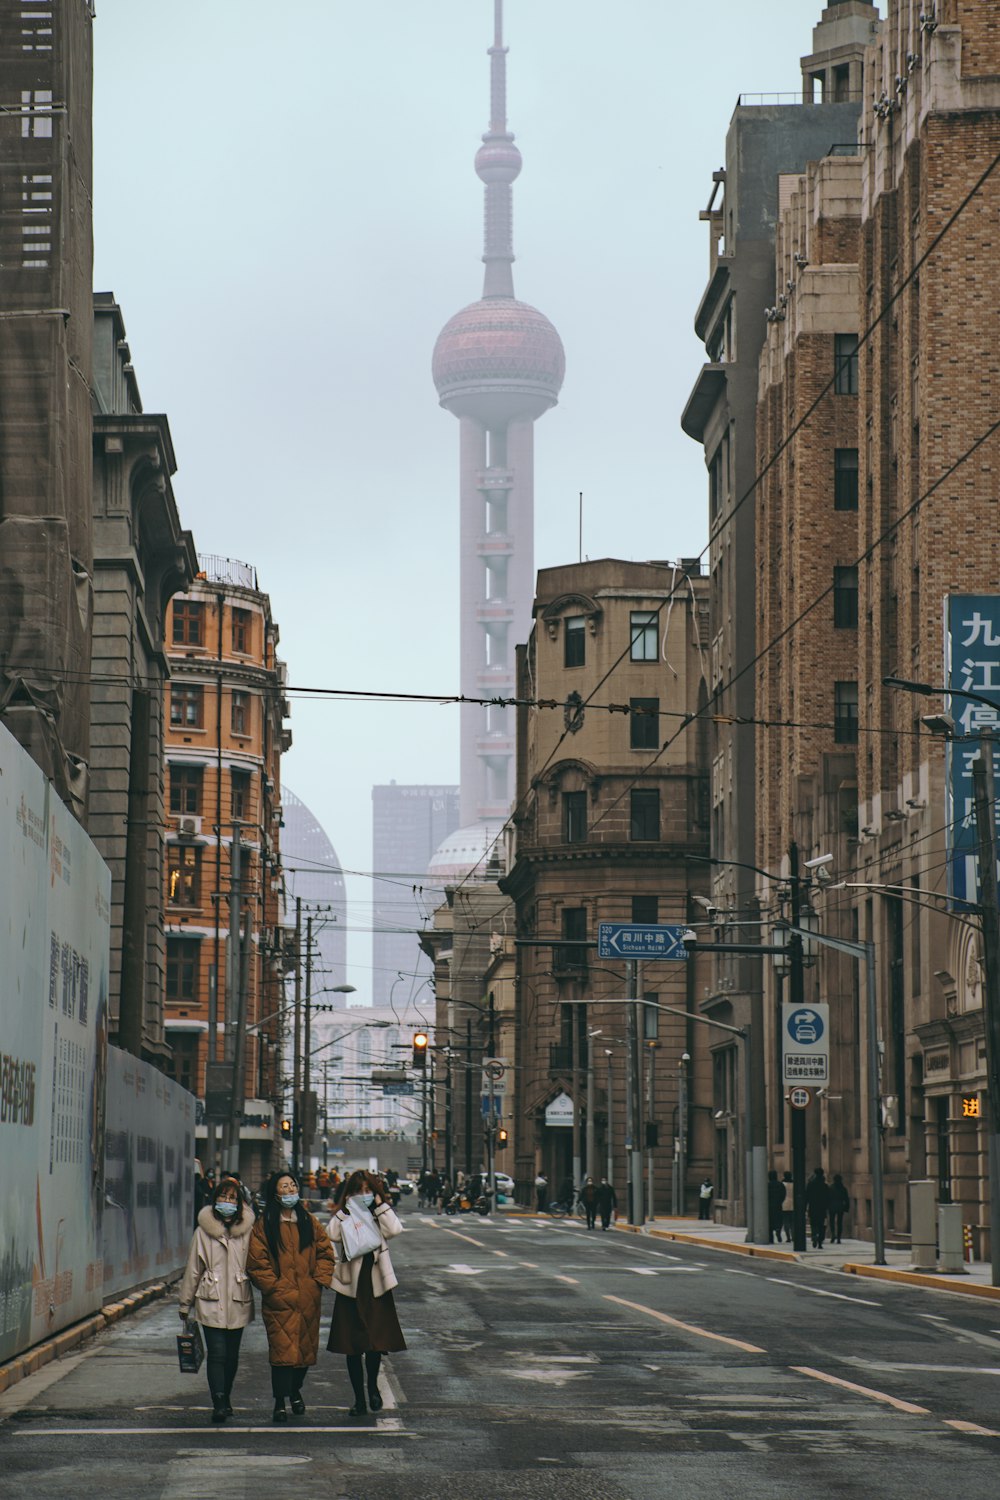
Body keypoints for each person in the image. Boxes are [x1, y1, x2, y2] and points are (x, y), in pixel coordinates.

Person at [247, 1169, 336, 1423]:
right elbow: (256, 1261)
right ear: (275, 1192)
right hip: (279, 1300)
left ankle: (295, 1390)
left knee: (304, 1353)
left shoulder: (308, 1221)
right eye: (284, 1186)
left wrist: (318, 1280)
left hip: (308, 1298)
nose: (289, 1190)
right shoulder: (265, 1224)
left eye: (293, 1186)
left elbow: (326, 1253)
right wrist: (273, 1288)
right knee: (281, 1354)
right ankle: (279, 1401)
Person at [327, 1168, 406, 1417]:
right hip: (351, 1286)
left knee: (374, 1343)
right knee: (352, 1345)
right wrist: (347, 1208)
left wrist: (379, 1204)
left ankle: (372, 1387)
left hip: (375, 1285)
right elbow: (331, 1234)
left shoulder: (378, 1214)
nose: (364, 1195)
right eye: (358, 1191)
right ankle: (358, 1399)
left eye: (368, 1190)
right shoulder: (346, 1214)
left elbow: (394, 1229)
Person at [178, 1175, 256, 1423]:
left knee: (232, 1355)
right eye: (223, 1196)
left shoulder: (248, 1231)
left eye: (232, 1197)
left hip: (238, 1298)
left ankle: (227, 1396)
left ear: (240, 1202)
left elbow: (259, 1263)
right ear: (215, 1199)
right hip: (209, 1298)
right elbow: (193, 1268)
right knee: (218, 1353)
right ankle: (219, 1401)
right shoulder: (203, 1232)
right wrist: (185, 1302)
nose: (227, 1201)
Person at [805, 1166, 831, 1249]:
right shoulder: (825, 1186)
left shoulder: (810, 1185)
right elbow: (828, 1197)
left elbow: (807, 1196)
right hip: (822, 1208)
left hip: (813, 1207)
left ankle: (814, 1236)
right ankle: (820, 1241)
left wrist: (805, 1206)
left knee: (813, 1223)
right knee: (822, 1225)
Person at [828, 1173, 850, 1244]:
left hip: (832, 1206)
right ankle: (838, 1237)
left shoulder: (831, 1188)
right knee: (839, 1222)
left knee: (832, 1221)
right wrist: (846, 1208)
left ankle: (833, 1234)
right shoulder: (843, 1188)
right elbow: (846, 1199)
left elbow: (828, 1198)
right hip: (840, 1206)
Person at [767, 1169, 786, 1245]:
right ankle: (778, 1231)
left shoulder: (767, 1185)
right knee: (779, 1220)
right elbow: (783, 1194)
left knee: (770, 1223)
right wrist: (780, 1201)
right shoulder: (780, 1185)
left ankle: (771, 1239)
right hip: (778, 1205)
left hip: (769, 1206)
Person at [780, 1171, 795, 1243]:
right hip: (793, 1204)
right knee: (793, 1222)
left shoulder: (782, 1184)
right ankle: (793, 1236)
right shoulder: (794, 1184)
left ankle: (788, 1236)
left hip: (784, 1204)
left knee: (786, 1221)